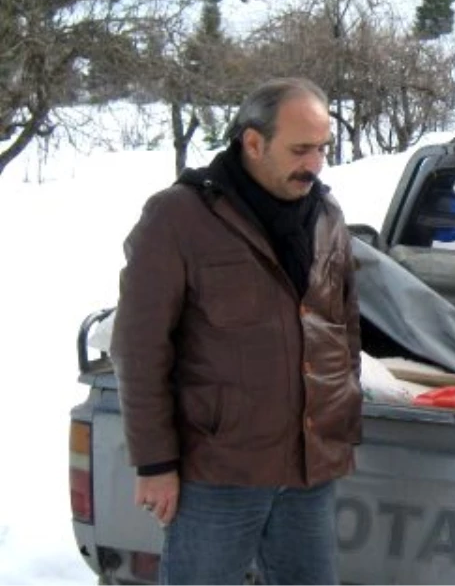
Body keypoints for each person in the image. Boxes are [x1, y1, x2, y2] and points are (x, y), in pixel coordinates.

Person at [110, 77, 361, 585]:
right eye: (300, 150)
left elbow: (343, 329)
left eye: (322, 149)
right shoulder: (179, 217)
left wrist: (338, 422)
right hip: (219, 472)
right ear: (252, 142)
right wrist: (155, 463)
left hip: (308, 472)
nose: (315, 164)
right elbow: (138, 349)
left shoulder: (327, 215)